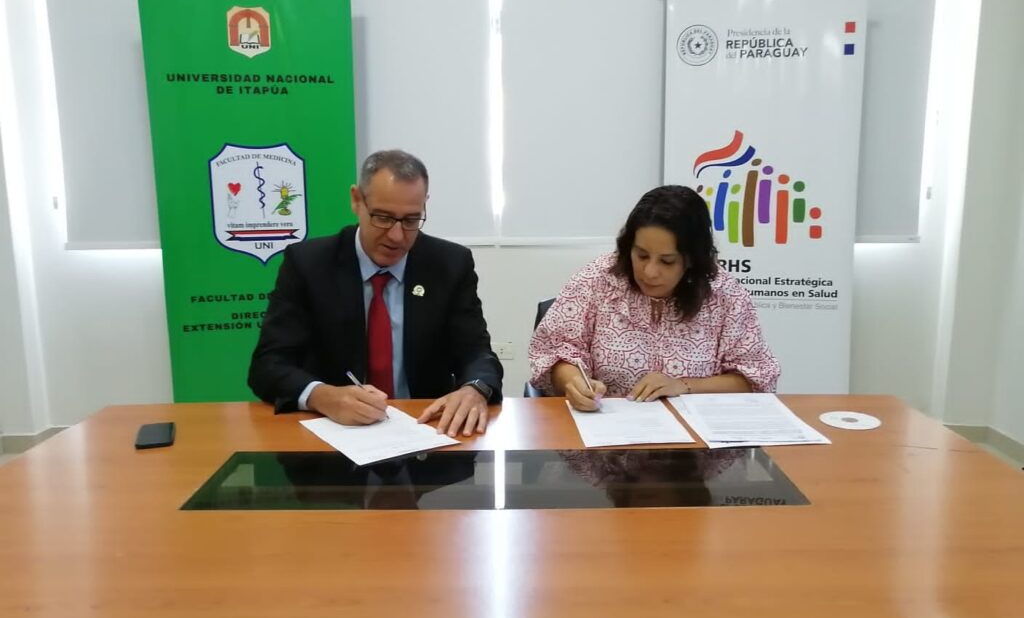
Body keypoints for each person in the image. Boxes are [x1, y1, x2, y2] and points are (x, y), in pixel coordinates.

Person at [249, 149, 503, 435]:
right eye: (383, 218)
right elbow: (268, 365)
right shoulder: (309, 264)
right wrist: (322, 396)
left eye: (411, 220)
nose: (396, 236)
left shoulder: (450, 264)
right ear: (357, 200)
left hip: (426, 432)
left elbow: (477, 354)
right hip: (334, 436)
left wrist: (475, 389)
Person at [528, 185, 779, 411]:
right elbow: (556, 353)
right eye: (641, 255)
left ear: (692, 259)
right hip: (605, 431)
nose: (649, 272)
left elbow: (754, 378)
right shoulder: (597, 280)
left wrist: (684, 385)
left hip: (697, 438)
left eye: (667, 261)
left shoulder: (724, 294)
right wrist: (574, 383)